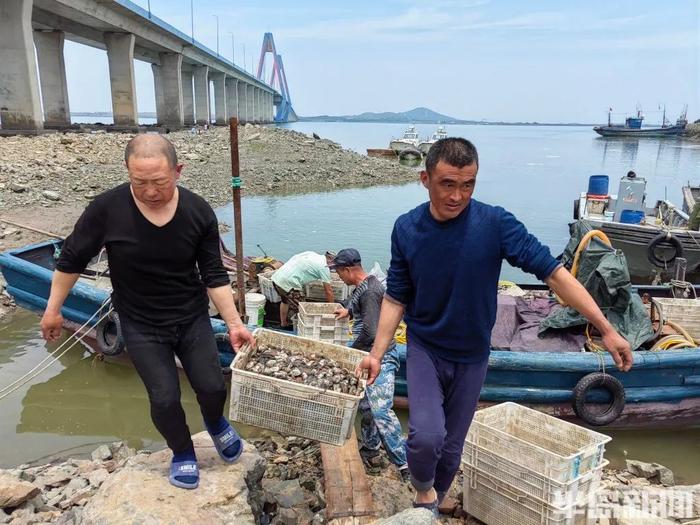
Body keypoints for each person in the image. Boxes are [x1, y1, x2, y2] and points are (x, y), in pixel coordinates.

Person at [356, 138, 633, 515]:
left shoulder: (495, 223)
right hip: (426, 348)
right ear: (425, 179)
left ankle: (432, 504)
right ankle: (422, 492)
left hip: (473, 355)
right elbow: (396, 296)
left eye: (467, 184)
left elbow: (554, 274)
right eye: (447, 184)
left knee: (452, 448)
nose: (457, 196)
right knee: (426, 437)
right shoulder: (407, 229)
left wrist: (606, 328)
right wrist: (376, 353)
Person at [40, 135, 254, 490]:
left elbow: (214, 274)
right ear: (127, 172)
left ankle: (216, 423)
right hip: (140, 322)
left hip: (191, 317)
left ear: (178, 171)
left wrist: (234, 324)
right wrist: (53, 311)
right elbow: (71, 261)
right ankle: (183, 451)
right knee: (165, 397)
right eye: (140, 182)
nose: (150, 191)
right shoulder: (106, 209)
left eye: (160, 182)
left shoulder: (198, 212)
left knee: (213, 386)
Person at [331, 249, 409, 482]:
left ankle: (404, 464)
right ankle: (370, 448)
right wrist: (347, 310)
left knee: (380, 411)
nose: (338, 277)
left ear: (348, 270)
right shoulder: (364, 286)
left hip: (381, 357)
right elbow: (356, 305)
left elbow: (371, 331)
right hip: (367, 357)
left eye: (338, 272)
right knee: (366, 408)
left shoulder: (371, 291)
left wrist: (349, 351)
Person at [271, 251, 334, 328]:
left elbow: (295, 258)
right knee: (304, 309)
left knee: (285, 301)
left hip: (277, 278)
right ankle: (307, 329)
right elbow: (329, 291)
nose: (333, 268)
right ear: (330, 259)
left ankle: (283, 323)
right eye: (334, 264)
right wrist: (332, 309)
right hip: (289, 284)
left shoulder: (311, 254)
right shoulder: (324, 267)